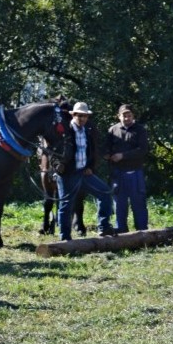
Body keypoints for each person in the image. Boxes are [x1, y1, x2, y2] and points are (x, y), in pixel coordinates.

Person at [54, 102, 115, 240]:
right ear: (73, 115)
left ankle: (104, 228)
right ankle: (65, 237)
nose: (82, 119)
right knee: (66, 205)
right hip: (68, 174)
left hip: (83, 172)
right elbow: (53, 152)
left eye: (85, 116)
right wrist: (58, 165)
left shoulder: (88, 130)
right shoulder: (64, 131)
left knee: (105, 192)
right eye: (79, 116)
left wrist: (90, 167)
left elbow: (92, 151)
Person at [106, 103, 149, 233]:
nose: (126, 118)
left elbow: (143, 150)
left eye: (129, 115)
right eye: (124, 115)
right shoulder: (112, 130)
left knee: (139, 204)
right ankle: (121, 232)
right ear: (118, 116)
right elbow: (106, 148)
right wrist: (107, 155)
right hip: (118, 174)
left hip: (135, 173)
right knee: (119, 204)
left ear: (133, 115)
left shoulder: (140, 130)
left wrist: (123, 156)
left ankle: (142, 233)